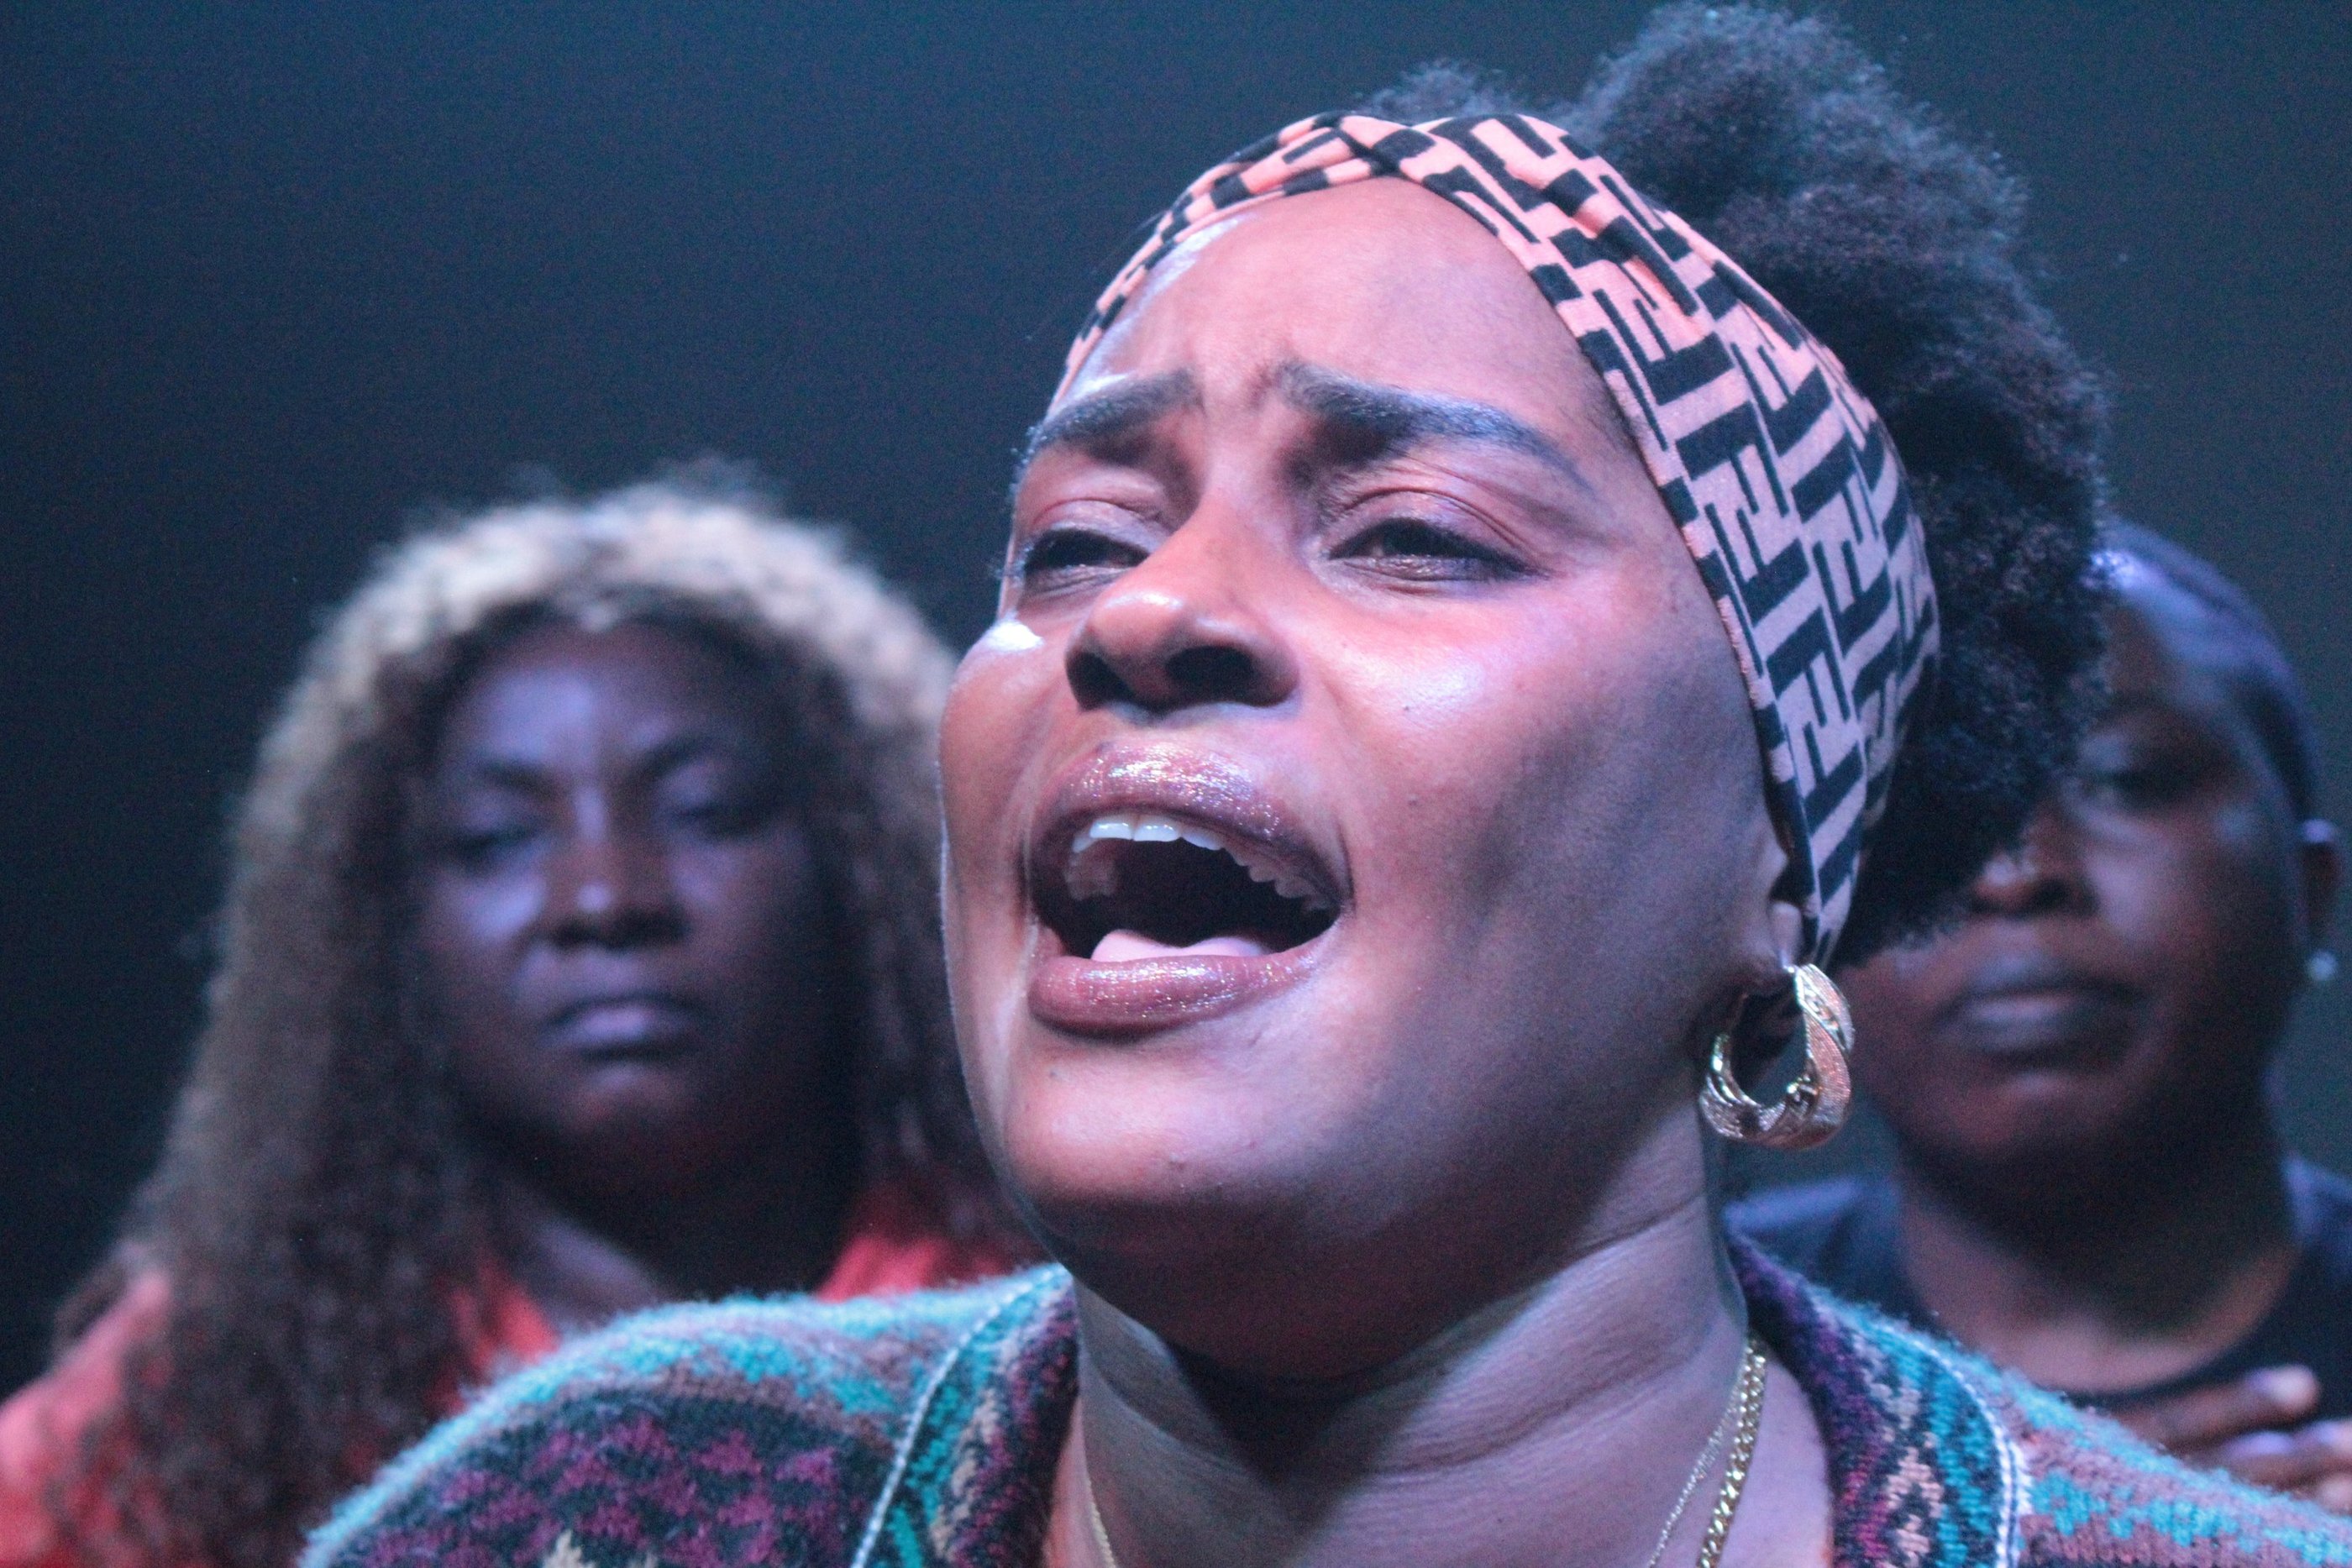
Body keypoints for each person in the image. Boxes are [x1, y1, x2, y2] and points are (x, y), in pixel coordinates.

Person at [304, 9, 2352, 1566]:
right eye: (1074, 541)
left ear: (1776, 833)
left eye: (1411, 533)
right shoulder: (613, 1504)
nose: (1147, 612)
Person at [0, 479, 1026, 1568]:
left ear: (856, 864)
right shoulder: (229, 1381)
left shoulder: (1035, 1312)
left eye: (704, 811)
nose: (606, 897)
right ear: (386, 925)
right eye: (499, 838)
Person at [1735, 523, 2351, 1506]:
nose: (2014, 872)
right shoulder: (1673, 1356)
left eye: (2124, 778)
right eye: (1924, 811)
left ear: (2307, 891)